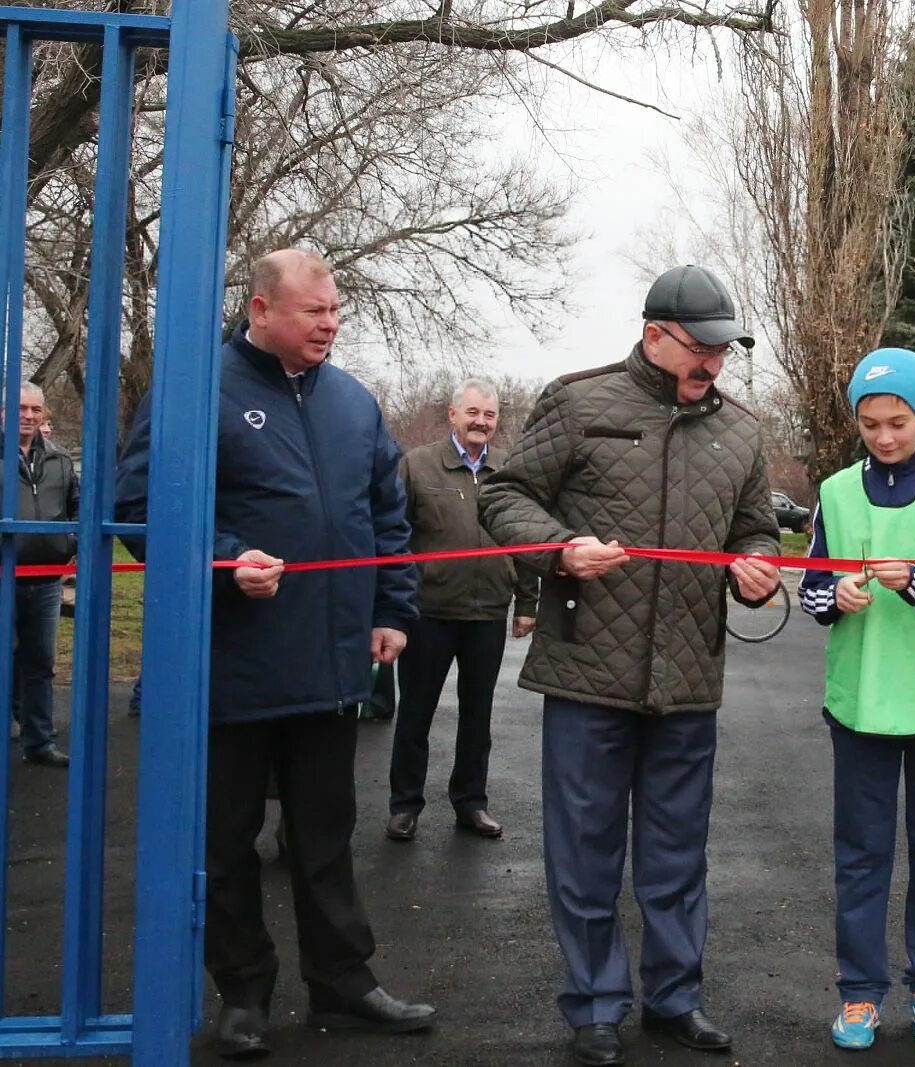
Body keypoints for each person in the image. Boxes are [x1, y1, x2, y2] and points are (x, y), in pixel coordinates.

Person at [115, 249, 435, 1060]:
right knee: (226, 841)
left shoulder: (355, 404)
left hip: (330, 667)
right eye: (313, 311)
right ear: (261, 310)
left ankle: (344, 981)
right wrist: (225, 561)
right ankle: (244, 992)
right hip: (234, 665)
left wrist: (393, 608)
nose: (330, 323)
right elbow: (139, 508)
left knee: (325, 834)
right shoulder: (195, 391)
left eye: (334, 311)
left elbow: (387, 513)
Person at [478, 264, 781, 1067]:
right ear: (655, 334)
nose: (714, 364)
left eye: (724, 351)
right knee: (585, 847)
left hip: (688, 676)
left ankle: (675, 997)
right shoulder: (578, 402)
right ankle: (595, 1004)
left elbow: (757, 528)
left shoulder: (743, 433)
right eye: (701, 348)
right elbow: (504, 494)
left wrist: (754, 565)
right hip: (587, 671)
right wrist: (559, 549)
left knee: (679, 849)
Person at [798, 350, 915, 1051]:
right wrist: (837, 594)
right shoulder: (836, 490)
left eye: (899, 422)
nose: (884, 436)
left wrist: (913, 584)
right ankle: (859, 992)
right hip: (862, 704)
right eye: (871, 423)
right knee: (860, 854)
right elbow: (811, 588)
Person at [385, 379, 537, 843]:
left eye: (489, 415)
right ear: (452, 415)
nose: (481, 422)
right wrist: (392, 604)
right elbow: (392, 537)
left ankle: (471, 803)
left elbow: (525, 540)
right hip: (427, 611)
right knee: (415, 714)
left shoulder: (509, 472)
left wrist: (527, 601)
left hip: (487, 612)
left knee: (478, 716)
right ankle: (404, 806)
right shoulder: (417, 466)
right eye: (472, 413)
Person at [12, 382, 76, 767]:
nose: (29, 416)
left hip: (46, 578)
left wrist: (69, 544)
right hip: (4, 574)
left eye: (36, 409)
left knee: (40, 662)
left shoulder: (59, 458)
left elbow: (76, 506)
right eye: (21, 408)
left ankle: (38, 741)